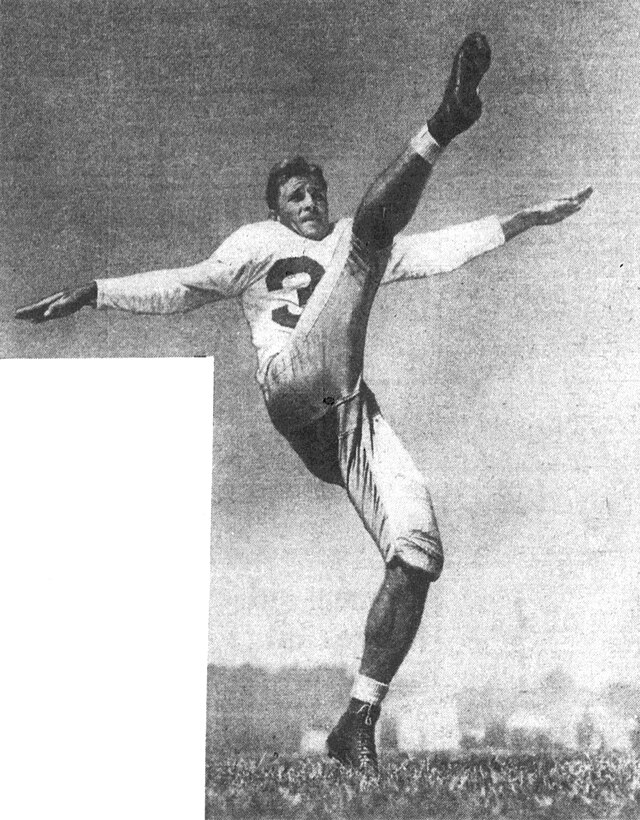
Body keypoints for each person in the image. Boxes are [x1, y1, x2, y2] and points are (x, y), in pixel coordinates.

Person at [16, 33, 592, 773]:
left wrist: (525, 219)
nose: (313, 202)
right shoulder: (259, 242)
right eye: (299, 196)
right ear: (279, 211)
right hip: (292, 382)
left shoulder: (358, 242)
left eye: (317, 191)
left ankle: (357, 718)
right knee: (371, 236)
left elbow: (448, 246)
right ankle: (445, 120)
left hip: (348, 408)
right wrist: (96, 292)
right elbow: (184, 284)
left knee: (418, 555)